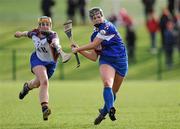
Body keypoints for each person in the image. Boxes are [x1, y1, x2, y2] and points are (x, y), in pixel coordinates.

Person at [71, 7, 128, 125]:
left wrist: (78, 48)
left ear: (103, 16)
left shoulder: (108, 26)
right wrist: (79, 51)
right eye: (94, 18)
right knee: (107, 83)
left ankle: (103, 112)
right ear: (91, 20)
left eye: (99, 16)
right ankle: (111, 109)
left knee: (114, 91)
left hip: (121, 61)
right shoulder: (94, 35)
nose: (97, 19)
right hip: (106, 61)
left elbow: (95, 44)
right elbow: (93, 57)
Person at [14, 16, 71, 121]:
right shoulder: (35, 33)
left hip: (51, 64)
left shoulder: (52, 35)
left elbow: (56, 41)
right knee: (44, 81)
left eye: (47, 25)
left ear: (50, 26)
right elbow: (27, 33)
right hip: (37, 60)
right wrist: (20, 34)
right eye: (42, 25)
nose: (44, 27)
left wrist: (56, 45)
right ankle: (44, 108)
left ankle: (26, 87)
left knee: (36, 84)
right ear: (39, 26)